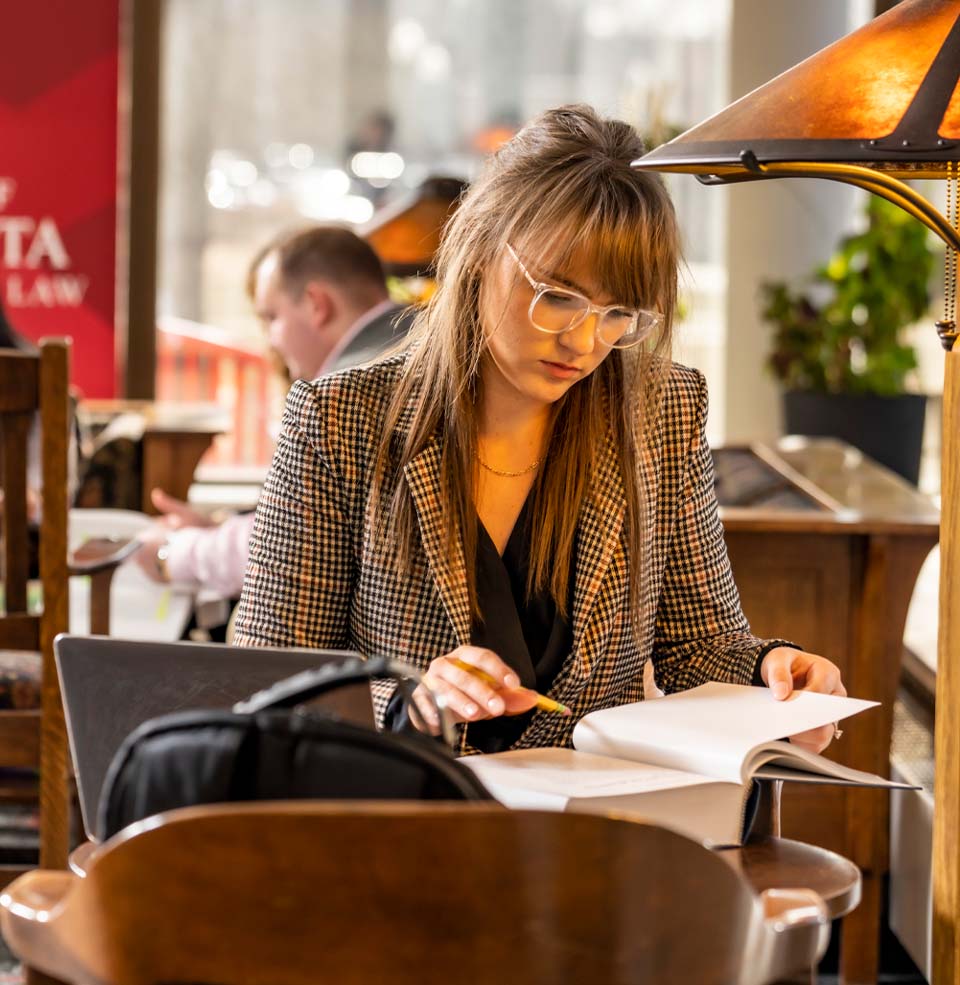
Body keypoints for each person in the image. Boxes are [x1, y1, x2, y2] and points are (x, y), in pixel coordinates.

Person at [233, 105, 845, 756]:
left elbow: (698, 641)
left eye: (619, 313)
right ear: (481, 249)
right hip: (408, 804)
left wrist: (772, 670)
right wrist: (410, 702)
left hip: (595, 808)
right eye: (557, 296)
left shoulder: (658, 409)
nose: (584, 342)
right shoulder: (340, 419)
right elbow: (270, 674)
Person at [134, 225, 412, 598]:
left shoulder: (341, 395)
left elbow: (289, 546)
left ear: (317, 305)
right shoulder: (419, 346)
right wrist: (220, 530)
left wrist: (173, 553)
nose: (271, 341)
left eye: (271, 318)